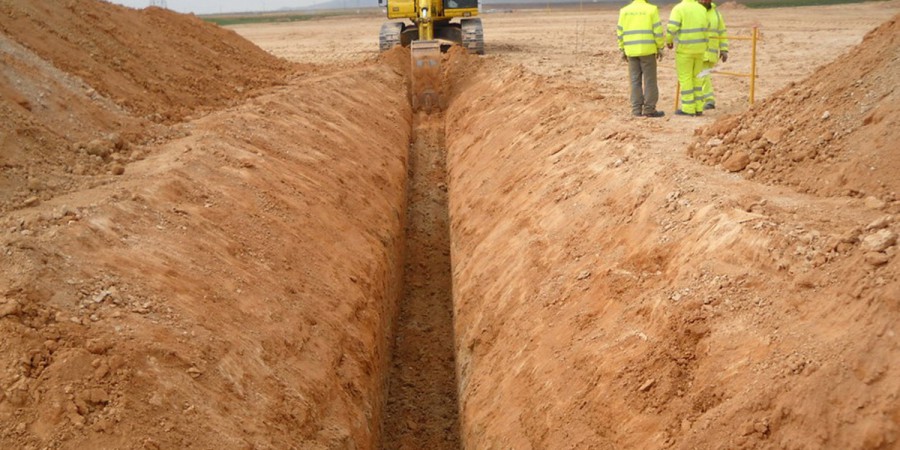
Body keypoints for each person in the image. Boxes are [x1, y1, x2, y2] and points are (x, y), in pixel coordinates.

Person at [617, 0, 666, 118]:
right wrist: (660, 47)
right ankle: (649, 109)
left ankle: (636, 109)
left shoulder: (624, 11)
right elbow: (658, 31)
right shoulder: (652, 9)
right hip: (648, 50)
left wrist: (622, 48)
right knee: (650, 81)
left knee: (635, 81)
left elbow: (620, 32)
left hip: (631, 51)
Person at [666, 0, 709, 116]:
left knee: (685, 78)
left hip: (685, 50)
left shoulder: (679, 8)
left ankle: (688, 108)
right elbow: (706, 28)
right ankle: (699, 108)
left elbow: (672, 27)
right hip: (700, 49)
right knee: (698, 78)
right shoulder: (702, 9)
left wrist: (669, 40)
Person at [698, 0, 729, 110]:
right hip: (696, 51)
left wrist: (724, 49)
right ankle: (706, 99)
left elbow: (722, 32)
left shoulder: (716, 14)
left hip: (710, 53)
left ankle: (708, 99)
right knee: (702, 75)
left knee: (703, 75)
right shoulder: (694, 11)